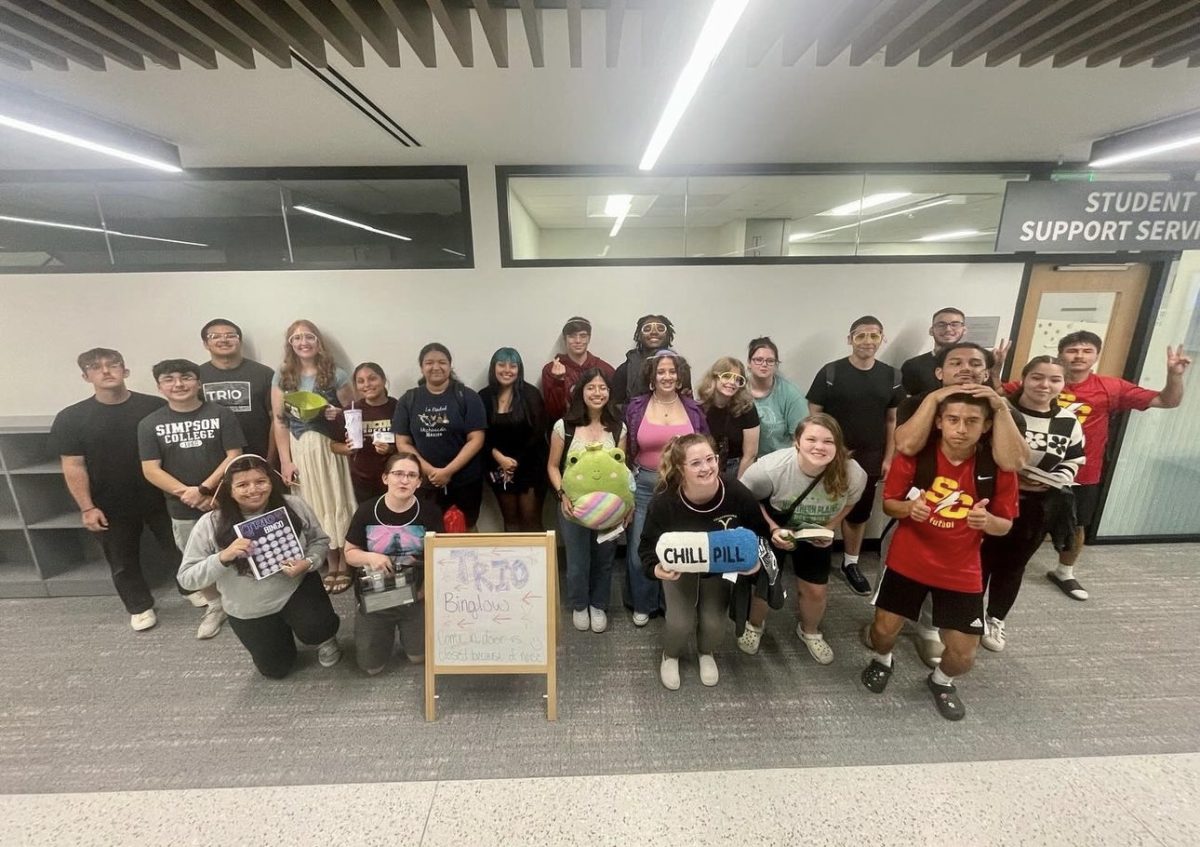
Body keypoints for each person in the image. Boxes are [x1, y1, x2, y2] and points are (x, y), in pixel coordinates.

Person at [861, 393, 1018, 721]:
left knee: (963, 657)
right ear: (939, 421)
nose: (961, 428)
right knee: (881, 633)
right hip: (908, 560)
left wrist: (987, 522)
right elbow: (889, 503)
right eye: (953, 419)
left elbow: (1004, 525)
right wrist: (908, 508)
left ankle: (941, 681)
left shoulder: (995, 468)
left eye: (972, 421)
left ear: (986, 425)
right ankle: (882, 661)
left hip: (961, 570)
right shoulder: (917, 457)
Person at [1015, 332, 1191, 601]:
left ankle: (1065, 571)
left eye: (1086, 351)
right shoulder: (1039, 381)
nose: (1079, 356)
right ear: (1061, 353)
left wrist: (1175, 375)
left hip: (1082, 471)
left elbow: (1167, 401)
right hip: (1030, 469)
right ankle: (1010, 567)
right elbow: (995, 396)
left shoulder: (1111, 387)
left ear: (1097, 355)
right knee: (1020, 520)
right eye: (1072, 350)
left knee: (1076, 523)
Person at [892, 341, 1030, 667]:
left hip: (968, 513)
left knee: (952, 583)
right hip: (918, 508)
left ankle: (929, 630)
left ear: (986, 371)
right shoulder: (917, 404)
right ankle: (891, 631)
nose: (965, 368)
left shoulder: (1003, 411)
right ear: (940, 372)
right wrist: (935, 398)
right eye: (956, 363)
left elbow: (1013, 461)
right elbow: (908, 444)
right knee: (900, 579)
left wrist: (998, 407)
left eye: (974, 363)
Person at [178, 454, 342, 678]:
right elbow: (186, 578)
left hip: (295, 587)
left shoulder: (294, 505)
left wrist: (309, 562)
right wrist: (223, 557)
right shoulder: (210, 524)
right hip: (248, 607)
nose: (253, 490)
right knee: (275, 669)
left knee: (317, 627)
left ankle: (322, 636)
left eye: (260, 482)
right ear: (229, 489)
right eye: (243, 485)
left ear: (271, 481)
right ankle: (279, 634)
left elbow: (320, 541)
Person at [50, 348, 177, 632]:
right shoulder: (71, 418)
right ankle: (139, 606)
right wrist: (87, 507)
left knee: (180, 546)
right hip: (109, 501)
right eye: (97, 367)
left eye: (113, 365)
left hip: (160, 494)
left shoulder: (155, 407)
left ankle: (192, 589)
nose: (106, 371)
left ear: (126, 371)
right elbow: (73, 465)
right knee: (122, 560)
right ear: (86, 376)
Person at [639, 433, 767, 689]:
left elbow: (759, 534)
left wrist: (754, 564)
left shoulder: (736, 493)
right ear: (680, 469)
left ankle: (705, 653)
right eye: (696, 463)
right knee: (679, 621)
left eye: (710, 459)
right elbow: (646, 548)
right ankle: (671, 655)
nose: (707, 467)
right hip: (680, 569)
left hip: (719, 568)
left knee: (714, 622)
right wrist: (656, 569)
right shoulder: (664, 502)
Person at [740, 415, 867, 662]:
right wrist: (773, 528)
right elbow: (746, 500)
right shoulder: (770, 469)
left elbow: (850, 503)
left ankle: (809, 632)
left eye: (828, 441)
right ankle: (754, 625)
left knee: (815, 590)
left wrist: (829, 528)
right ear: (797, 442)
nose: (819, 447)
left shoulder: (854, 473)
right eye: (811, 439)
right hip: (773, 524)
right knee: (765, 582)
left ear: (838, 444)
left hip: (815, 529)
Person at [979, 356, 1084, 652]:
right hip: (994, 499)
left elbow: (1074, 459)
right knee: (979, 561)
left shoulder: (1068, 420)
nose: (1045, 385)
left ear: (1064, 384)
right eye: (1037, 377)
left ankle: (996, 618)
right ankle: (970, 615)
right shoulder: (1002, 411)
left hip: (1038, 505)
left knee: (1013, 566)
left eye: (1054, 379)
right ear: (1024, 378)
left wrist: (1056, 479)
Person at [138, 358, 245, 639]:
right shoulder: (150, 424)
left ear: (198, 382)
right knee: (196, 558)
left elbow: (233, 456)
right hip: (181, 506)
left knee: (239, 549)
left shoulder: (221, 414)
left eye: (185, 377)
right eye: (169, 379)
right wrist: (187, 494)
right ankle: (215, 605)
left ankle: (243, 600)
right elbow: (150, 469)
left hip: (224, 499)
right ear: (160, 387)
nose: (178, 384)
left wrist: (205, 489)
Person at [806, 316, 904, 596]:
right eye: (860, 336)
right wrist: (820, 449)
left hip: (871, 456)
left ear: (882, 339)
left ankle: (851, 563)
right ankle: (817, 556)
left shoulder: (892, 376)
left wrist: (888, 457)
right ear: (850, 339)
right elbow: (815, 411)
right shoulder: (831, 372)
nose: (867, 341)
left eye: (874, 336)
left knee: (858, 513)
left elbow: (891, 420)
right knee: (822, 506)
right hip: (831, 455)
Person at [270, 319, 357, 595]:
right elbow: (279, 420)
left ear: (318, 342)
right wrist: (285, 460)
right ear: (290, 345)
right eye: (297, 338)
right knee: (312, 503)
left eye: (308, 337)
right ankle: (329, 560)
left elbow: (354, 414)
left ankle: (345, 560)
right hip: (299, 450)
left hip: (329, 450)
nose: (303, 342)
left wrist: (337, 413)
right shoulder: (282, 377)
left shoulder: (337, 375)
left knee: (336, 499)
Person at [624, 350, 708, 626]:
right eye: (661, 371)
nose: (667, 376)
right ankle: (643, 603)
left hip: (682, 489)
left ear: (680, 375)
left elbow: (704, 446)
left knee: (678, 548)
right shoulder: (636, 407)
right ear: (652, 376)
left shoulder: (694, 409)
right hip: (645, 486)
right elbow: (625, 448)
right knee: (640, 550)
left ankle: (670, 603)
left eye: (672, 371)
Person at [343, 452, 444, 675]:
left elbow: (440, 559)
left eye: (411, 475)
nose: (404, 480)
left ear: (419, 482)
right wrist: (370, 557)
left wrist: (425, 591)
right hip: (376, 596)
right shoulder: (367, 510)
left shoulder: (430, 512)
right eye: (398, 474)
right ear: (385, 478)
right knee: (371, 667)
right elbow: (350, 553)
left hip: (415, 597)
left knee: (418, 657)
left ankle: (411, 632)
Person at [547, 368, 627, 633]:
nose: (597, 393)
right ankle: (580, 604)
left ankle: (599, 604)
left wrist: (627, 505)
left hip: (610, 511)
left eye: (602, 388)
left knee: (604, 559)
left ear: (609, 392)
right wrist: (562, 496)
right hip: (573, 508)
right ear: (581, 392)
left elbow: (622, 471)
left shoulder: (618, 427)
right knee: (578, 560)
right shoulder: (564, 427)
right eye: (591, 387)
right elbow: (553, 467)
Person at [393, 342, 488, 528]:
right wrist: (429, 470)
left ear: (450, 366)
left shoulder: (467, 397)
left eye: (442, 362)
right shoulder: (409, 399)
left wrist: (448, 471)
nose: (436, 367)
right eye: (429, 363)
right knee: (428, 532)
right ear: (421, 367)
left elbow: (476, 439)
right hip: (424, 482)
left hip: (464, 481)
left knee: (466, 530)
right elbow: (402, 442)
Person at [478, 348, 547, 532]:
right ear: (494, 368)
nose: (507, 370)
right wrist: (499, 458)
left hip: (530, 466)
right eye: (501, 365)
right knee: (510, 522)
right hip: (497, 467)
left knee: (531, 522)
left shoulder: (531, 394)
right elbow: (479, 435)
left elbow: (539, 433)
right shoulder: (483, 397)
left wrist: (515, 462)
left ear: (519, 369)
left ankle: (540, 562)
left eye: (512, 366)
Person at [196, 318, 275, 459]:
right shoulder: (196, 377)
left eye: (231, 335)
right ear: (205, 344)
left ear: (240, 341)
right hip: (213, 460)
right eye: (215, 336)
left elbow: (277, 419)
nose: (224, 340)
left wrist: (272, 458)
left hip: (259, 454)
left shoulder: (264, 374)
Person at [901, 308, 1011, 395]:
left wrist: (995, 371)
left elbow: (994, 398)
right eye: (941, 324)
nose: (948, 329)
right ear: (931, 330)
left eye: (955, 324)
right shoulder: (913, 365)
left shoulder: (982, 360)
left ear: (964, 330)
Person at [330, 362, 397, 503]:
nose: (367, 384)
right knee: (370, 521)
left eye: (372, 378)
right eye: (360, 381)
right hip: (362, 480)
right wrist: (348, 448)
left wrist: (390, 449)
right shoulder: (349, 411)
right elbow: (333, 445)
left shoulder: (398, 407)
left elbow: (408, 441)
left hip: (395, 477)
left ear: (383, 380)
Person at [540, 316, 615, 422]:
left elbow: (612, 409)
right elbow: (553, 413)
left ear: (589, 338)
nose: (578, 341)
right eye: (572, 336)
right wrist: (558, 382)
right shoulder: (550, 370)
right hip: (565, 430)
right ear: (564, 338)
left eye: (583, 336)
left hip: (598, 431)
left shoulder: (605, 369)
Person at [696, 356, 760, 477]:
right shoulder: (699, 407)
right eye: (726, 376)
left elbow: (750, 455)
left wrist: (738, 486)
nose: (732, 382)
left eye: (737, 379)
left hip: (737, 467)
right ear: (714, 377)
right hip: (706, 467)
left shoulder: (747, 408)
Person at [746, 336, 807, 458]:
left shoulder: (790, 394)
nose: (764, 364)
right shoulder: (738, 391)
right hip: (744, 461)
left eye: (770, 361)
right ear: (749, 363)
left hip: (780, 462)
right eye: (758, 359)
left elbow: (802, 437)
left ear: (776, 365)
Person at [611, 314, 679, 411]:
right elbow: (614, 407)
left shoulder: (680, 368)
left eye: (660, 329)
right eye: (647, 329)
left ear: (668, 335)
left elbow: (687, 402)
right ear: (639, 336)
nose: (654, 332)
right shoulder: (624, 370)